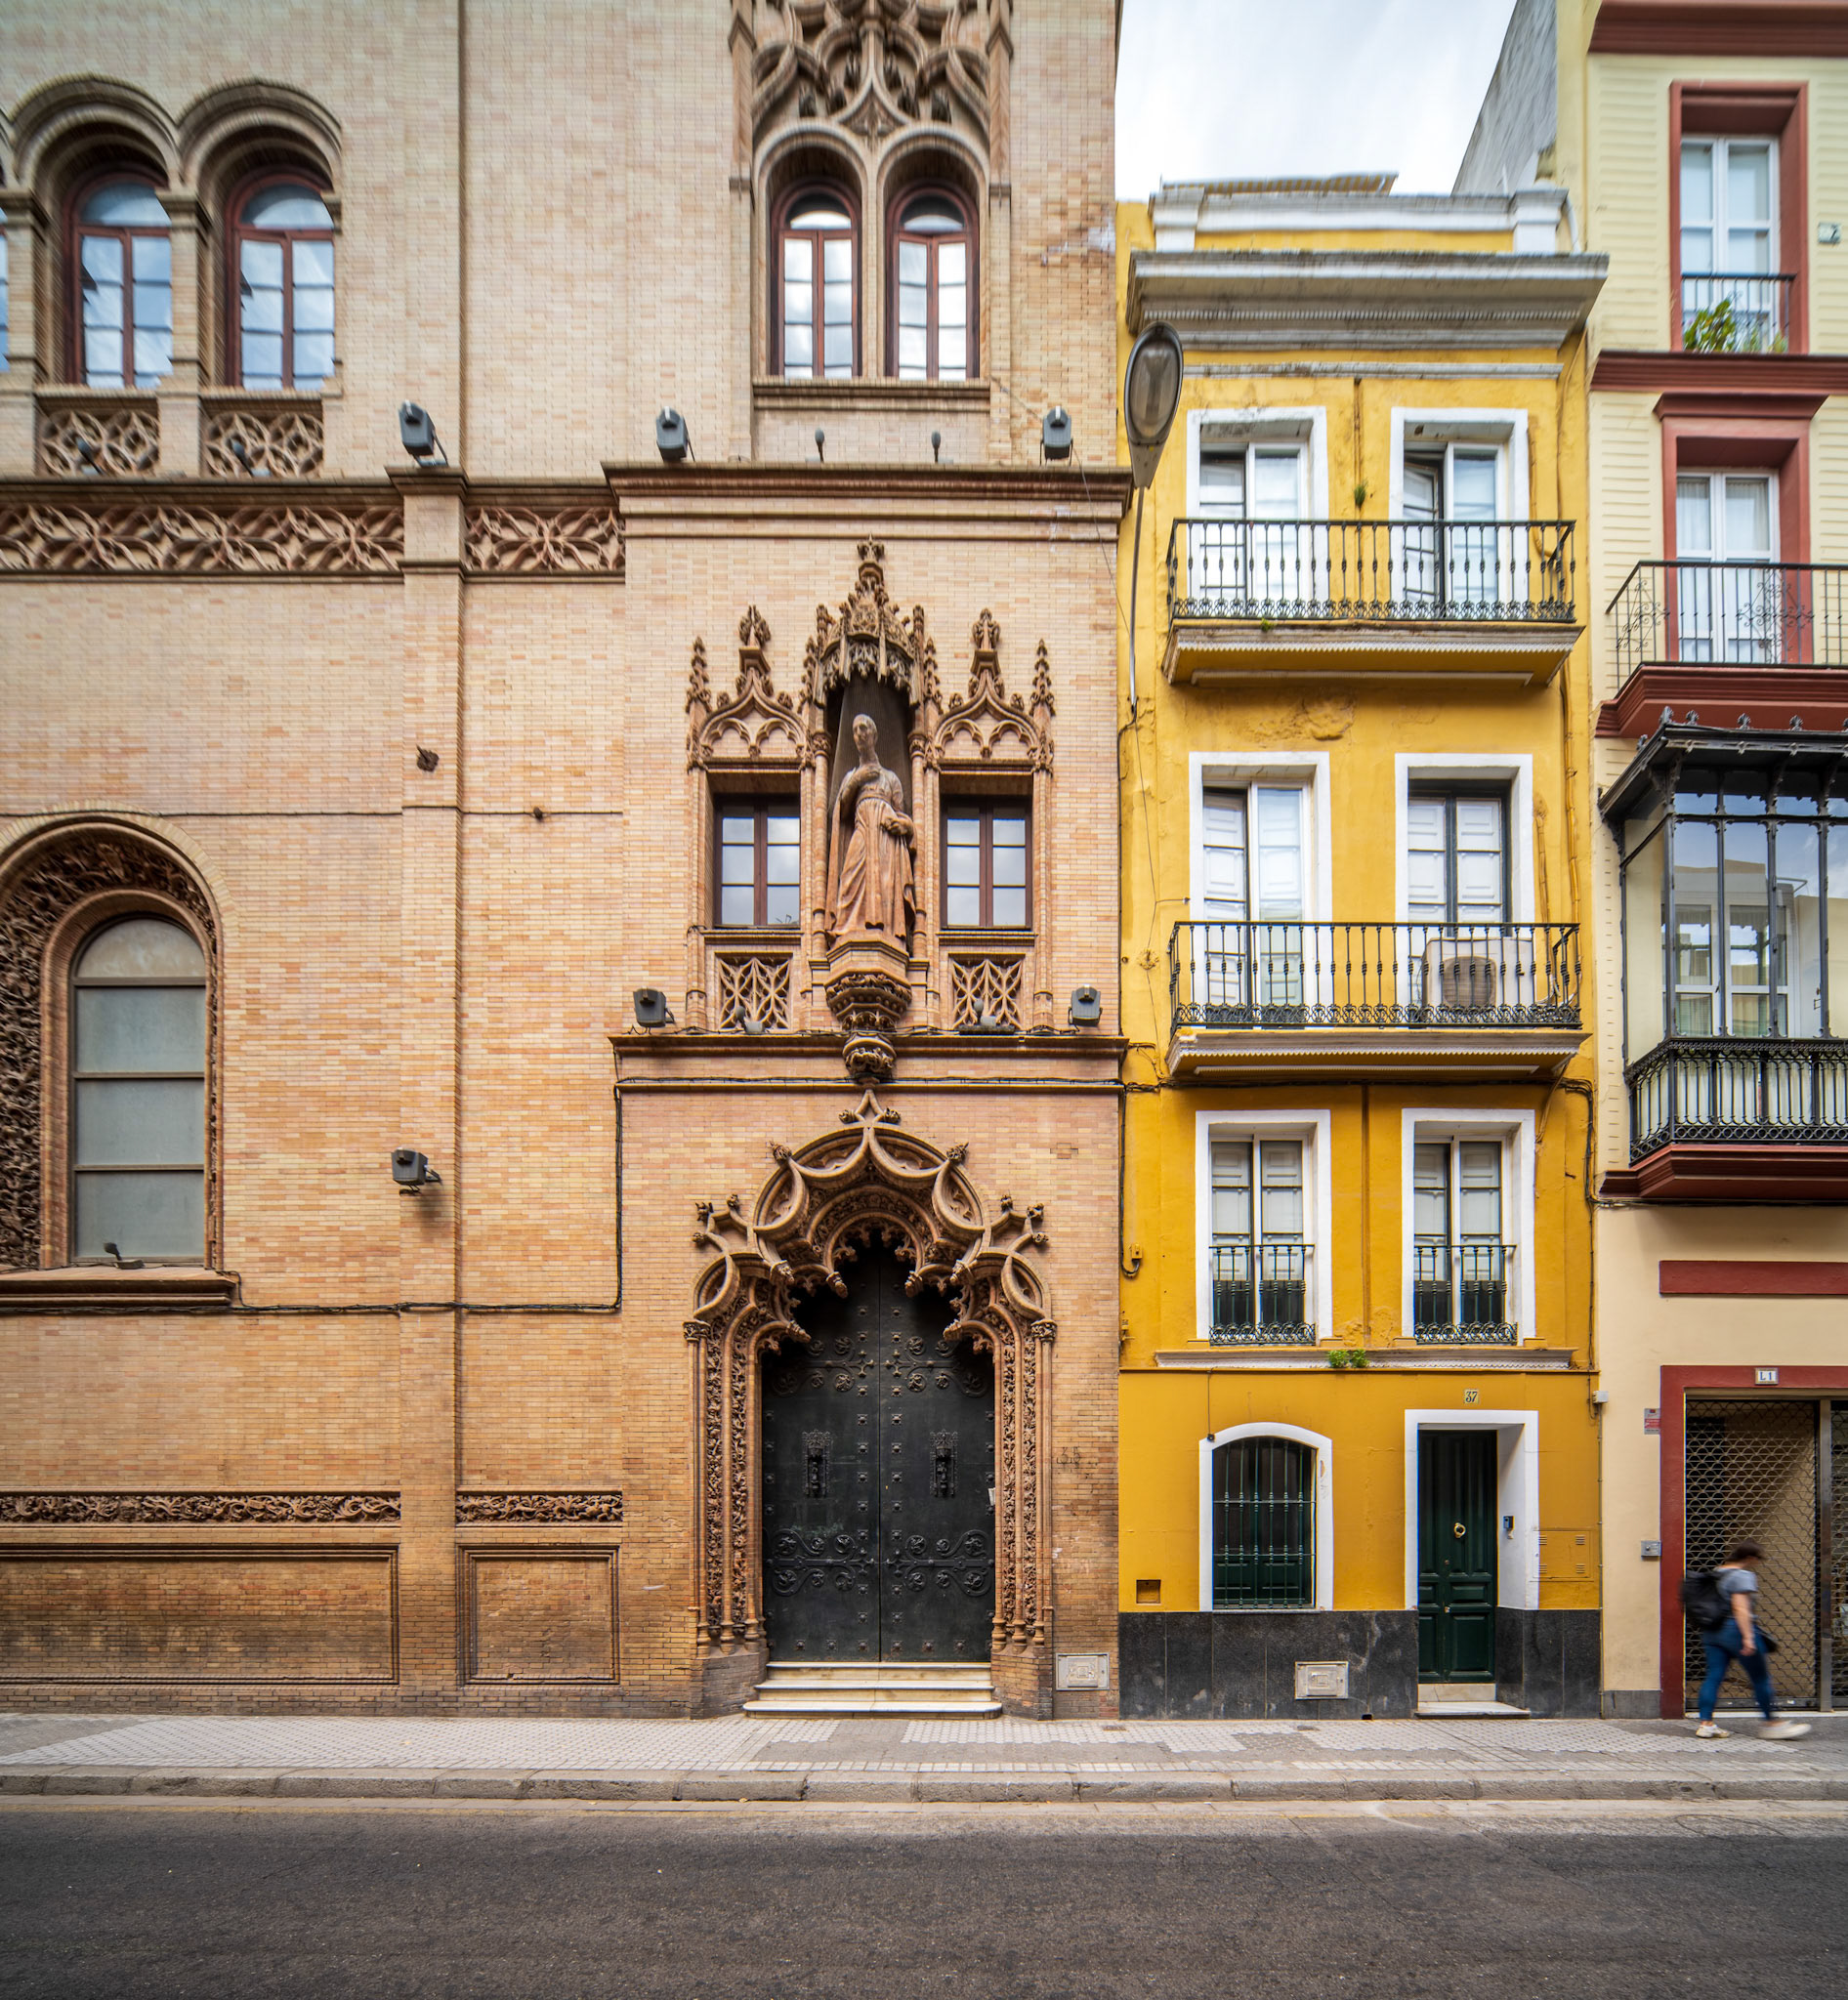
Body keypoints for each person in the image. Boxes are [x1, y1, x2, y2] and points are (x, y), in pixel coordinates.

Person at [1694, 1537, 1811, 1740]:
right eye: (1757, 1558)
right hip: (1735, 1630)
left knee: (1713, 1676)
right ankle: (1771, 1724)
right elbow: (1740, 1608)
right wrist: (1748, 1637)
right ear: (1749, 1557)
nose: (1757, 1562)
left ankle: (1706, 1724)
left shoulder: (1716, 1573)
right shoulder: (1742, 1576)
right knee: (1761, 1678)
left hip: (1713, 1631)